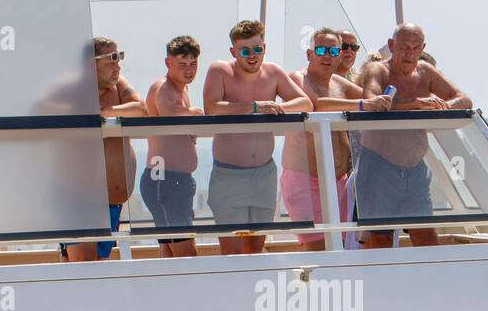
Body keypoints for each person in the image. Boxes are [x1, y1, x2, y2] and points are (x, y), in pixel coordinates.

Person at [357, 23, 472, 249]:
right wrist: (416, 105)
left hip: (415, 171)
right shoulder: (378, 70)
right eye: (404, 47)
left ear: (422, 49)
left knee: (427, 237)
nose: (410, 54)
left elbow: (464, 99)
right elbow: (373, 103)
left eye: (415, 48)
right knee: (380, 240)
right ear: (392, 46)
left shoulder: (425, 72)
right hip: (379, 168)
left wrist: (441, 107)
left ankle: (433, 283)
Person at [202, 19, 311, 255]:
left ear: (265, 47)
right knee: (232, 253)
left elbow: (305, 102)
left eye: (257, 49)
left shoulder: (273, 72)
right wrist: (253, 107)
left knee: (255, 250)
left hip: (265, 173)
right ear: (234, 51)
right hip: (228, 175)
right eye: (245, 51)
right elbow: (211, 107)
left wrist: (275, 108)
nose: (252, 56)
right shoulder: (220, 70)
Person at [282, 27, 391, 249]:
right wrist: (364, 105)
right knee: (319, 250)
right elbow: (318, 105)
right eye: (321, 49)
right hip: (305, 180)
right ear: (309, 54)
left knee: (340, 247)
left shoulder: (340, 84)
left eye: (333, 51)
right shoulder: (298, 77)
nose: (327, 55)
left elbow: (370, 96)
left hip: (338, 183)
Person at [64, 38, 147, 262]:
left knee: (98, 266)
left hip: (112, 199)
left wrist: (105, 112)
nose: (117, 65)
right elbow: (40, 110)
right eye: (110, 60)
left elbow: (140, 109)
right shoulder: (72, 90)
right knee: (84, 266)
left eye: (119, 57)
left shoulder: (119, 85)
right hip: (79, 197)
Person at [142, 36, 202, 258]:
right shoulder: (164, 88)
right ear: (168, 63)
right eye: (182, 64)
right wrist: (195, 113)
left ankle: (168, 292)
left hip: (176, 181)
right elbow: (169, 113)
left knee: (170, 252)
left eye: (193, 64)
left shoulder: (182, 89)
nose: (189, 70)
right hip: (164, 180)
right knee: (187, 255)